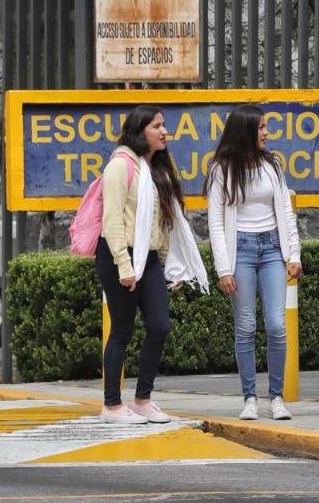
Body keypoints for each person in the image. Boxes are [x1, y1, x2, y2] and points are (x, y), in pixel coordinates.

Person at [206, 104, 302, 421]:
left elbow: (286, 212)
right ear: (246, 130)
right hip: (241, 251)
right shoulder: (222, 169)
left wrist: (294, 254)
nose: (266, 132)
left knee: (276, 325)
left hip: (272, 247)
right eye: (261, 127)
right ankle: (250, 398)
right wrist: (224, 269)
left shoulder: (272, 165)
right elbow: (216, 222)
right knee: (245, 326)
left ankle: (276, 397)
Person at [97, 105, 187, 425]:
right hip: (119, 255)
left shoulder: (156, 169)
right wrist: (124, 265)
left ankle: (142, 399)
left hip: (147, 259)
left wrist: (164, 264)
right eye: (157, 126)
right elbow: (112, 222)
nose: (164, 132)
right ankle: (111, 405)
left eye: (164, 125)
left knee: (160, 326)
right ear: (140, 131)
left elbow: (160, 224)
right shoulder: (120, 166)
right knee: (122, 330)